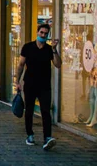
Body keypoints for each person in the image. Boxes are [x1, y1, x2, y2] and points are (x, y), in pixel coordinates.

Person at [15, 23, 62, 151]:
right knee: (29, 110)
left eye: (46, 34)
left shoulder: (49, 49)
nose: (43, 35)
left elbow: (58, 64)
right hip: (30, 84)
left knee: (46, 111)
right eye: (41, 33)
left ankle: (47, 137)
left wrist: (54, 49)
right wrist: (17, 81)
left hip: (45, 85)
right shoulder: (28, 47)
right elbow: (20, 65)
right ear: (37, 32)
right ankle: (30, 135)